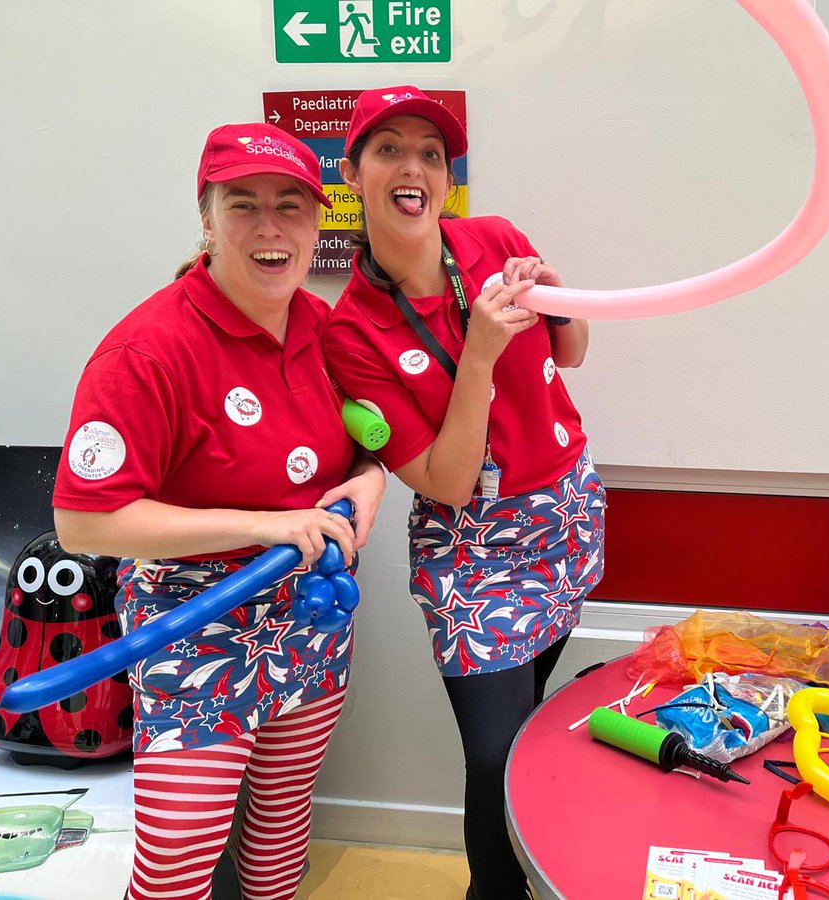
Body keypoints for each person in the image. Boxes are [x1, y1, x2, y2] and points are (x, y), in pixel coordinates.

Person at [52, 122, 386, 900]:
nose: (270, 228)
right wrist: (266, 525)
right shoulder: (148, 351)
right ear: (206, 217)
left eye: (290, 206)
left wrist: (369, 481)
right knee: (173, 865)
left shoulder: (322, 327)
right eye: (243, 205)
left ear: (318, 222)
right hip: (191, 627)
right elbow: (86, 523)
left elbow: (370, 441)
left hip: (309, 618)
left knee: (281, 822)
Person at [324, 86, 606, 900]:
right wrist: (479, 351)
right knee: (493, 752)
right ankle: (497, 891)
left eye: (430, 154)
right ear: (353, 172)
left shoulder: (494, 238)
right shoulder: (351, 332)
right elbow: (445, 482)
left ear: (447, 177)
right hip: (474, 549)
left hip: (563, 515)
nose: (412, 167)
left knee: (525, 730)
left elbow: (575, 351)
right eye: (388, 150)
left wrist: (558, 291)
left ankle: (533, 868)